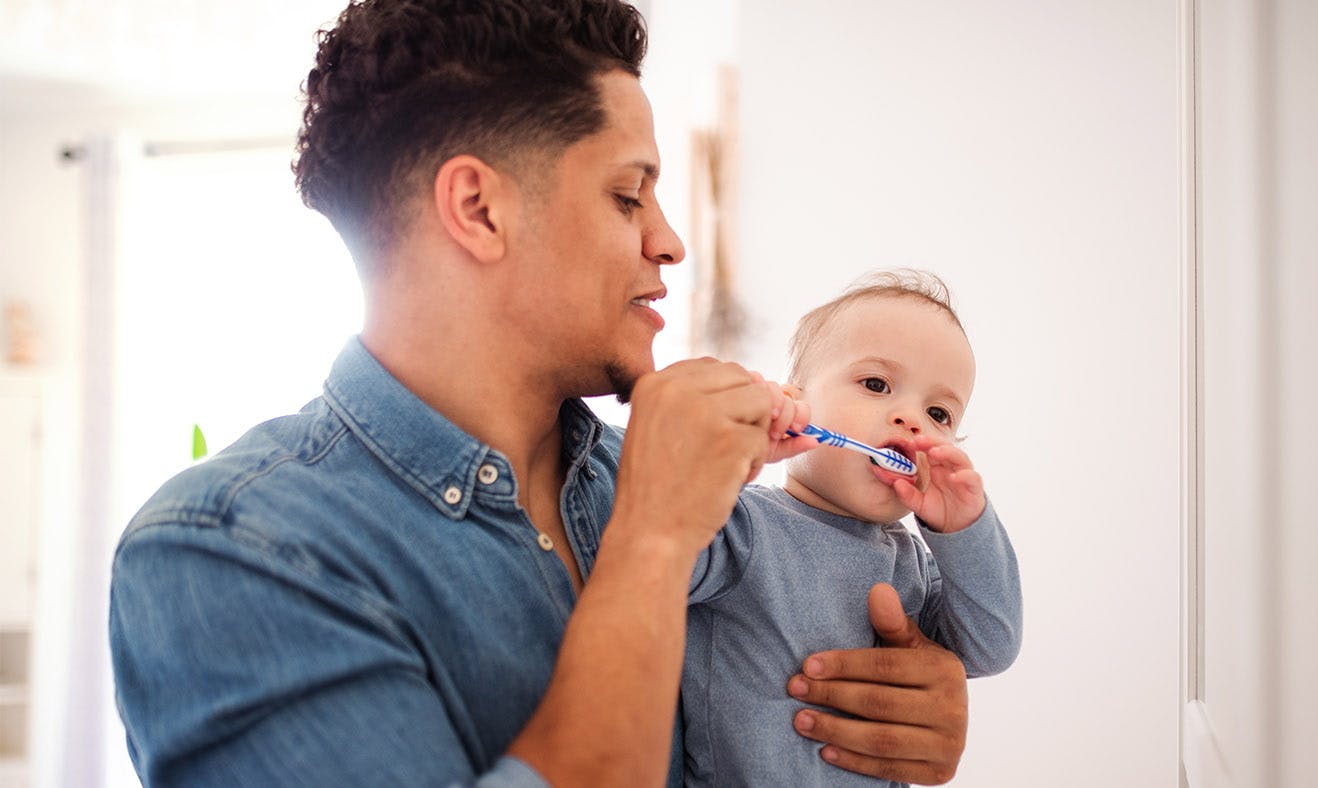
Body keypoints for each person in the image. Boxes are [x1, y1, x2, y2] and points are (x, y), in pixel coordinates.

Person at [108, 2, 971, 785]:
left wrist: (902, 704)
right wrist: (653, 541)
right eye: (628, 194)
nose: (669, 241)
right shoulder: (229, 553)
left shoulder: (665, 487)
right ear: (479, 210)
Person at [681, 270, 1022, 786]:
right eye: (876, 384)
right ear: (795, 407)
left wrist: (964, 529)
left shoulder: (913, 565)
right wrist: (723, 462)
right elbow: (659, 564)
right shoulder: (743, 524)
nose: (912, 420)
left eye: (939, 413)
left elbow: (991, 646)